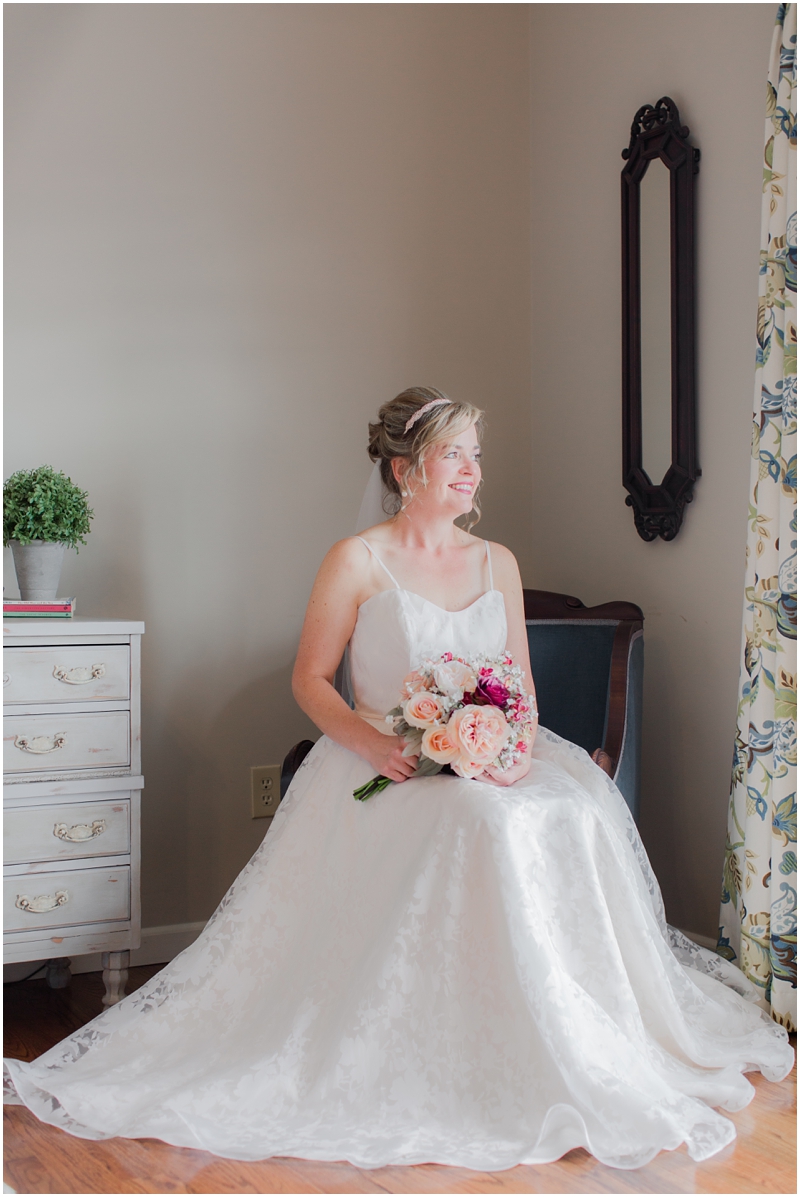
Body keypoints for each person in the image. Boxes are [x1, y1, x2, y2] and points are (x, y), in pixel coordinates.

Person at [4, 387, 793, 1171]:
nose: (472, 469)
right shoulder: (356, 560)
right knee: (482, 823)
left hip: (491, 753)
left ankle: (577, 1030)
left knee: (572, 809)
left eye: (475, 454)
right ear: (404, 468)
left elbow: (520, 685)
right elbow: (311, 680)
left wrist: (511, 749)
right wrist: (377, 744)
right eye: (454, 453)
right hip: (385, 758)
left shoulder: (498, 561)